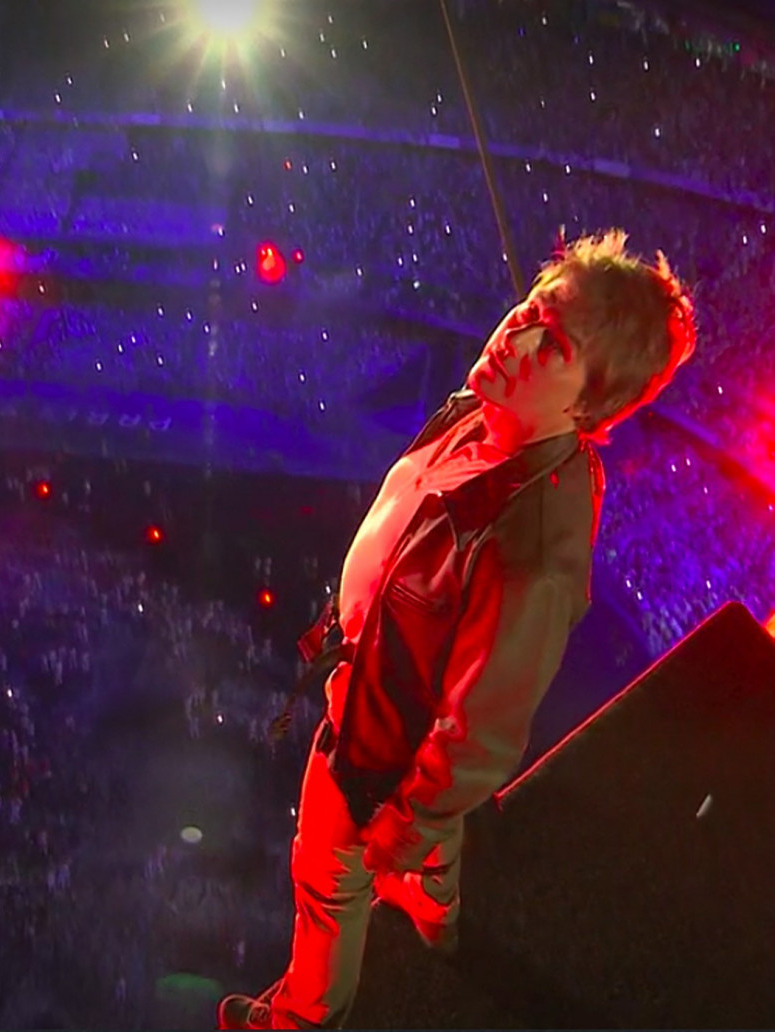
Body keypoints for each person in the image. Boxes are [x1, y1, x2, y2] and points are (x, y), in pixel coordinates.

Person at [217, 229, 696, 1030]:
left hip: (374, 747)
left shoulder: (533, 555)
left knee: (324, 884)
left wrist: (403, 823)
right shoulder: (485, 410)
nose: (520, 332)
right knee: (417, 857)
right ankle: (433, 905)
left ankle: (302, 1018)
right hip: (372, 699)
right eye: (536, 307)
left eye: (557, 343)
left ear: (587, 404)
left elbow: (482, 734)